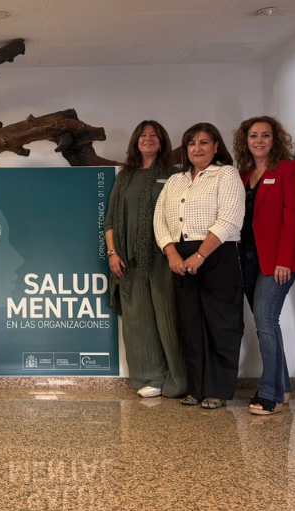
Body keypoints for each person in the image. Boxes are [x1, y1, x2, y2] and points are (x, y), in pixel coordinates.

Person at [154, 122, 244, 410]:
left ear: (216, 147)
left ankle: (217, 390)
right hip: (180, 259)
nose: (197, 148)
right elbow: (160, 221)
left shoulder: (226, 174)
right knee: (190, 327)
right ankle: (196, 389)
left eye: (204, 142)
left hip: (217, 253)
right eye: (192, 143)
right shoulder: (175, 180)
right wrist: (172, 255)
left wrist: (201, 255)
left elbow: (230, 218)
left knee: (221, 325)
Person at [103, 120, 186, 399]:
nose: (148, 139)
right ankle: (148, 377)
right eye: (143, 135)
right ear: (135, 142)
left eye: (153, 135)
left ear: (162, 141)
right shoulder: (124, 177)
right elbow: (110, 220)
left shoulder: (174, 175)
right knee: (138, 320)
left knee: (167, 316)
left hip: (164, 258)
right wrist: (113, 253)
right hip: (129, 260)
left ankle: (177, 378)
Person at [232, 116, 295, 415]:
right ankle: (284, 386)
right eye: (253, 136)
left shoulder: (286, 169)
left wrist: (284, 260)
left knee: (265, 321)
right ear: (246, 141)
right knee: (266, 323)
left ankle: (270, 393)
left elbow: (294, 216)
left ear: (275, 140)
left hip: (277, 261)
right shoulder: (242, 174)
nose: (259, 140)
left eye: (265, 135)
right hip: (248, 258)